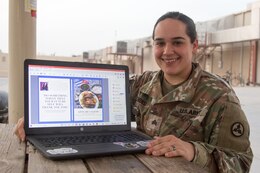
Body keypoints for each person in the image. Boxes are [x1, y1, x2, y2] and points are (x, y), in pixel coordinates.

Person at [14, 11, 253, 172]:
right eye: (160, 43)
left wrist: (192, 150)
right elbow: (91, 109)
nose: (167, 51)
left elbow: (241, 162)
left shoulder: (220, 96)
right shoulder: (142, 84)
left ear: (195, 45)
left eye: (177, 42)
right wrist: (39, 121)